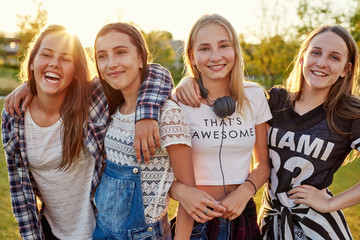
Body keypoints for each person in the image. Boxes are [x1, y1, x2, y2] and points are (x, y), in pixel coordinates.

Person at [175, 24, 360, 239]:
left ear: (346, 69)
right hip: (270, 225)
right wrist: (189, 80)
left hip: (318, 229)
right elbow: (228, 92)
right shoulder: (276, 101)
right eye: (316, 52)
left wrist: (330, 203)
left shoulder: (350, 114)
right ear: (302, 58)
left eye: (334, 57)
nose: (321, 63)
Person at [2, 24, 173, 240]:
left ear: (75, 71)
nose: (54, 63)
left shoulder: (92, 101)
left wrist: (146, 114)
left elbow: (155, 72)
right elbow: (20, 195)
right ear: (33, 61)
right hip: (52, 232)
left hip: (104, 229)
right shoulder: (14, 117)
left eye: (65, 58)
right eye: (46, 55)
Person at [91, 22, 195, 239]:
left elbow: (189, 196)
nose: (111, 63)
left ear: (140, 58)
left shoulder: (167, 115)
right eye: (102, 56)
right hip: (102, 230)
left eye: (120, 52)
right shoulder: (111, 109)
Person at [173, 14, 271, 239]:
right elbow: (159, 173)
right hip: (196, 219)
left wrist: (245, 191)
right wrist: (181, 192)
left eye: (223, 45)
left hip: (241, 214)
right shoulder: (178, 103)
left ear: (235, 50)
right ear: (192, 56)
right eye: (205, 48)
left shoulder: (255, 96)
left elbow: (263, 163)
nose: (215, 56)